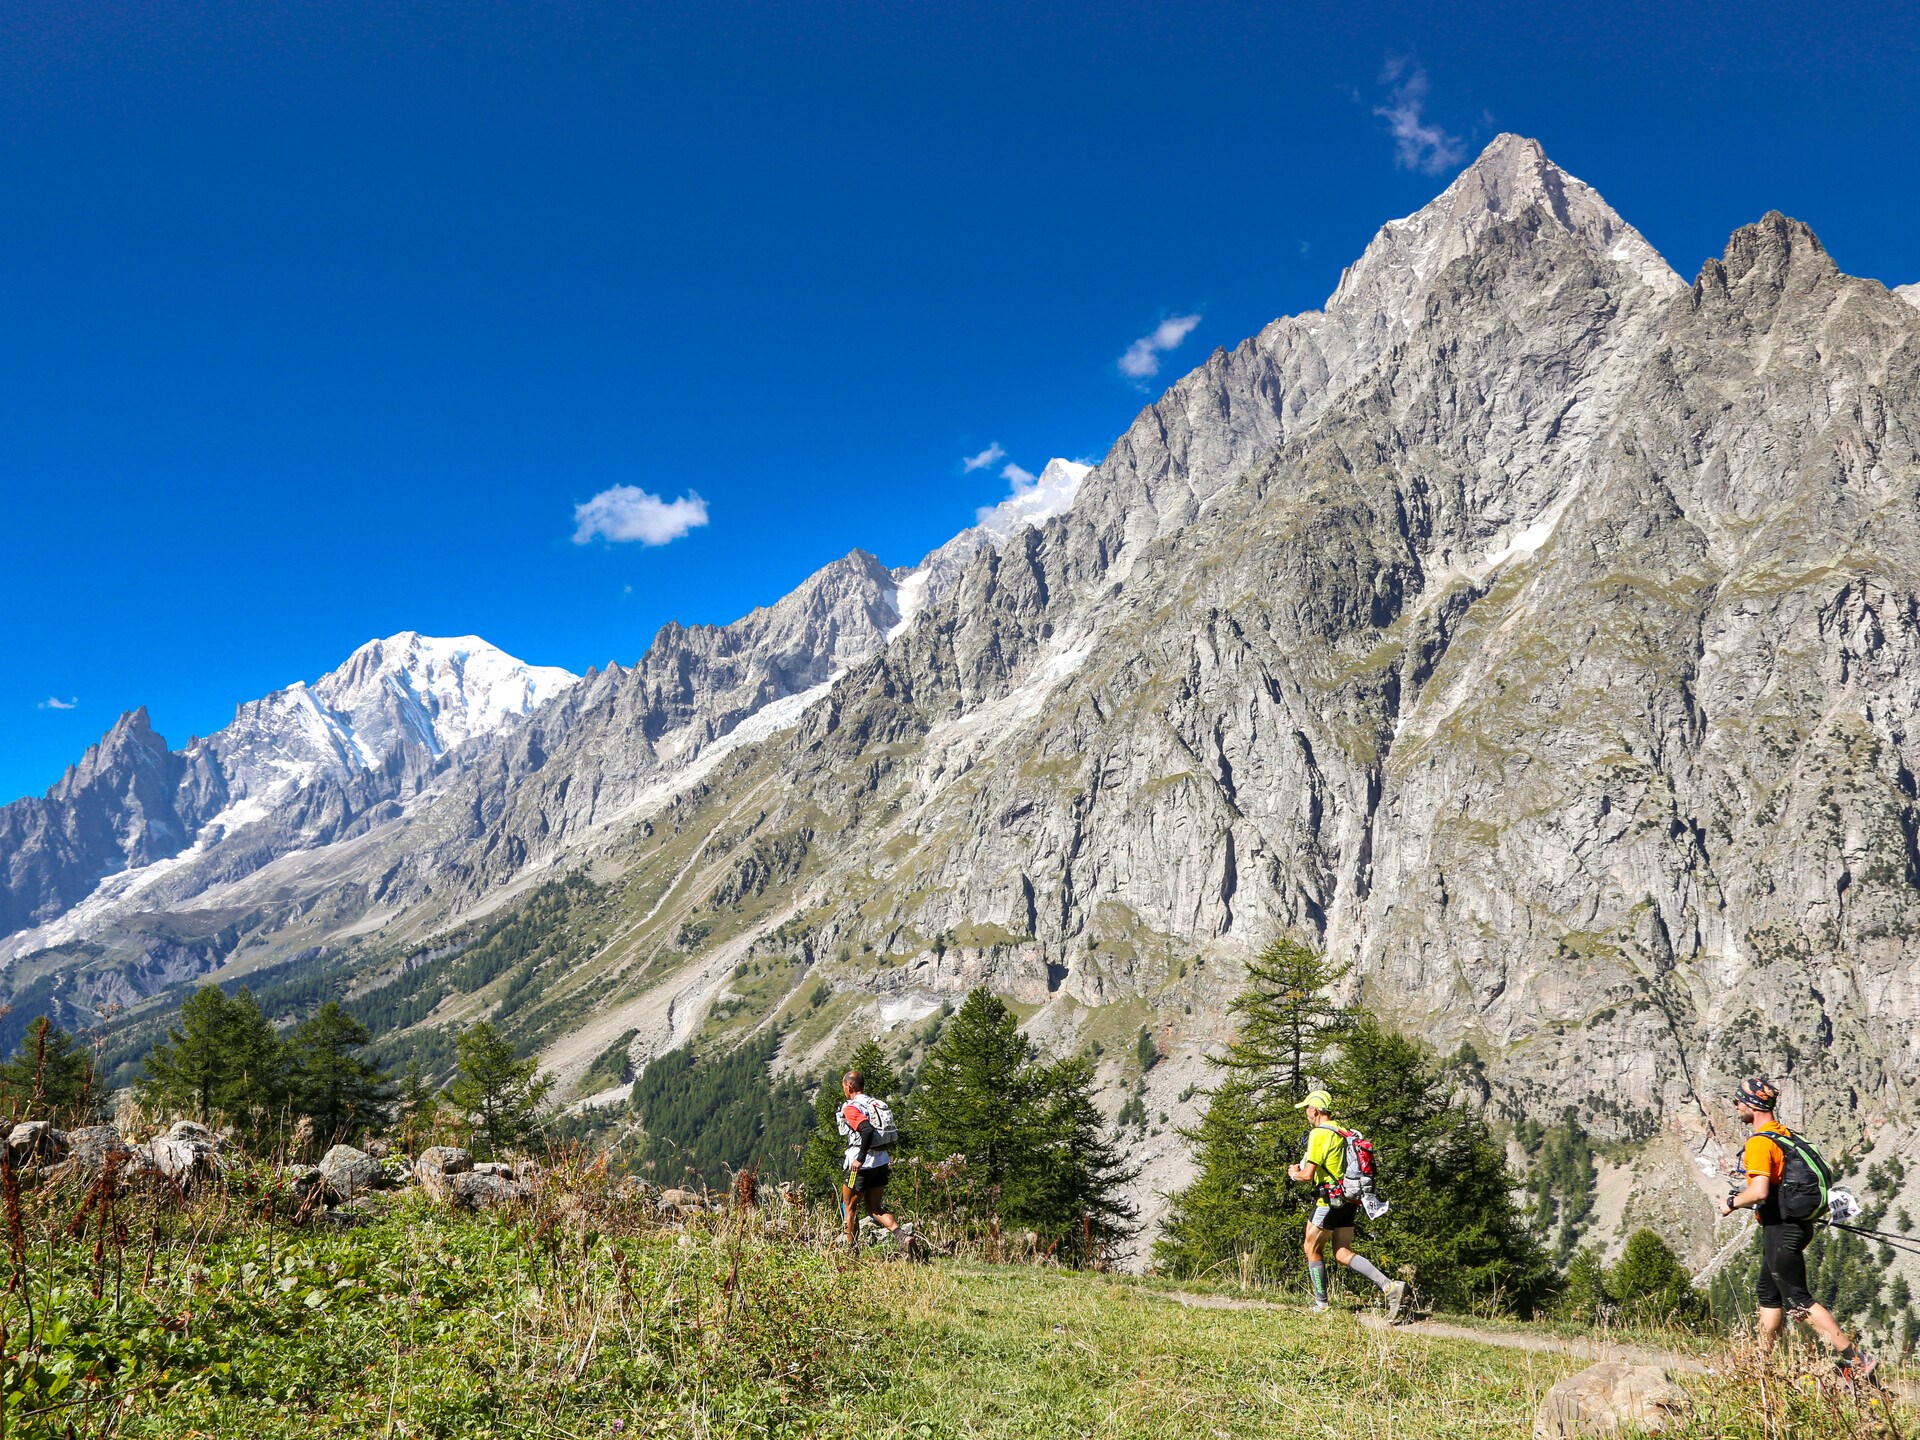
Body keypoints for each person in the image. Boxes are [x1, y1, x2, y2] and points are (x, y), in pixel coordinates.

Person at [1719, 1077, 1875, 1381]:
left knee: (1798, 1299)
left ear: (1752, 1105)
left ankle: (1855, 1359)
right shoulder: (1787, 1135)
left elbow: (1760, 1191)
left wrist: (1731, 1202)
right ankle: (1761, 1362)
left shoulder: (1760, 1142)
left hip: (1782, 1229)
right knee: (1768, 1292)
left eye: (1738, 1101)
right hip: (1796, 1225)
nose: (1736, 1106)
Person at [1286, 1089, 1408, 1319]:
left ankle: (1321, 1304)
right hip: (1350, 1199)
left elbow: (1308, 1175)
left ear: (1315, 1110)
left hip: (1328, 1201)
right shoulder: (1343, 1131)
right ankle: (1390, 1287)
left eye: (1307, 1109)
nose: (1306, 1113)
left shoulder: (1319, 1133)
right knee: (1342, 1252)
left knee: (1311, 1249)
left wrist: (1294, 1173)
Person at [838, 1069, 909, 1255]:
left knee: (849, 1208)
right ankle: (902, 1236)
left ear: (849, 1087)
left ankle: (852, 1252)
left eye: (844, 1086)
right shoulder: (875, 1104)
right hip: (881, 1161)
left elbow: (866, 1129)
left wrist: (860, 1158)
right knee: (874, 1208)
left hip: (860, 1166)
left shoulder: (851, 1107)